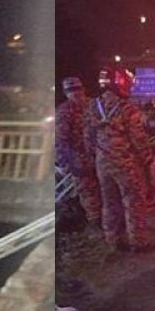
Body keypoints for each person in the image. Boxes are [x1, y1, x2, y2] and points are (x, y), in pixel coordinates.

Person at [84, 66, 155, 251]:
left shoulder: (92, 106)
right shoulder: (127, 109)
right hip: (126, 164)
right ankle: (138, 242)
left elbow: (88, 137)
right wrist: (148, 161)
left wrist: (96, 156)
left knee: (109, 202)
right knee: (133, 202)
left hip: (102, 164)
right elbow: (138, 140)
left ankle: (113, 240)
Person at [56, 76, 101, 231]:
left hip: (80, 160)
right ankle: (111, 224)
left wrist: (63, 163)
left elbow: (61, 139)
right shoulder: (95, 105)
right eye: (73, 90)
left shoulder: (65, 110)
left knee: (88, 193)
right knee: (104, 190)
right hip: (101, 157)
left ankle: (96, 224)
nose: (75, 93)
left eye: (75, 90)